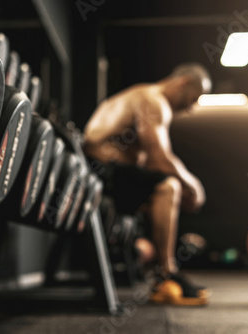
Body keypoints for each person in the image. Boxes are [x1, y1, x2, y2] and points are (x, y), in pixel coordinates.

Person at [83, 63, 211, 306]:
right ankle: (166, 275)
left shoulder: (138, 94)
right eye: (193, 99)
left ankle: (156, 267)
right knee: (168, 187)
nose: (191, 107)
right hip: (100, 173)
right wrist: (193, 185)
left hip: (99, 172)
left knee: (159, 191)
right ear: (182, 82)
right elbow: (158, 159)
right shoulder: (153, 100)